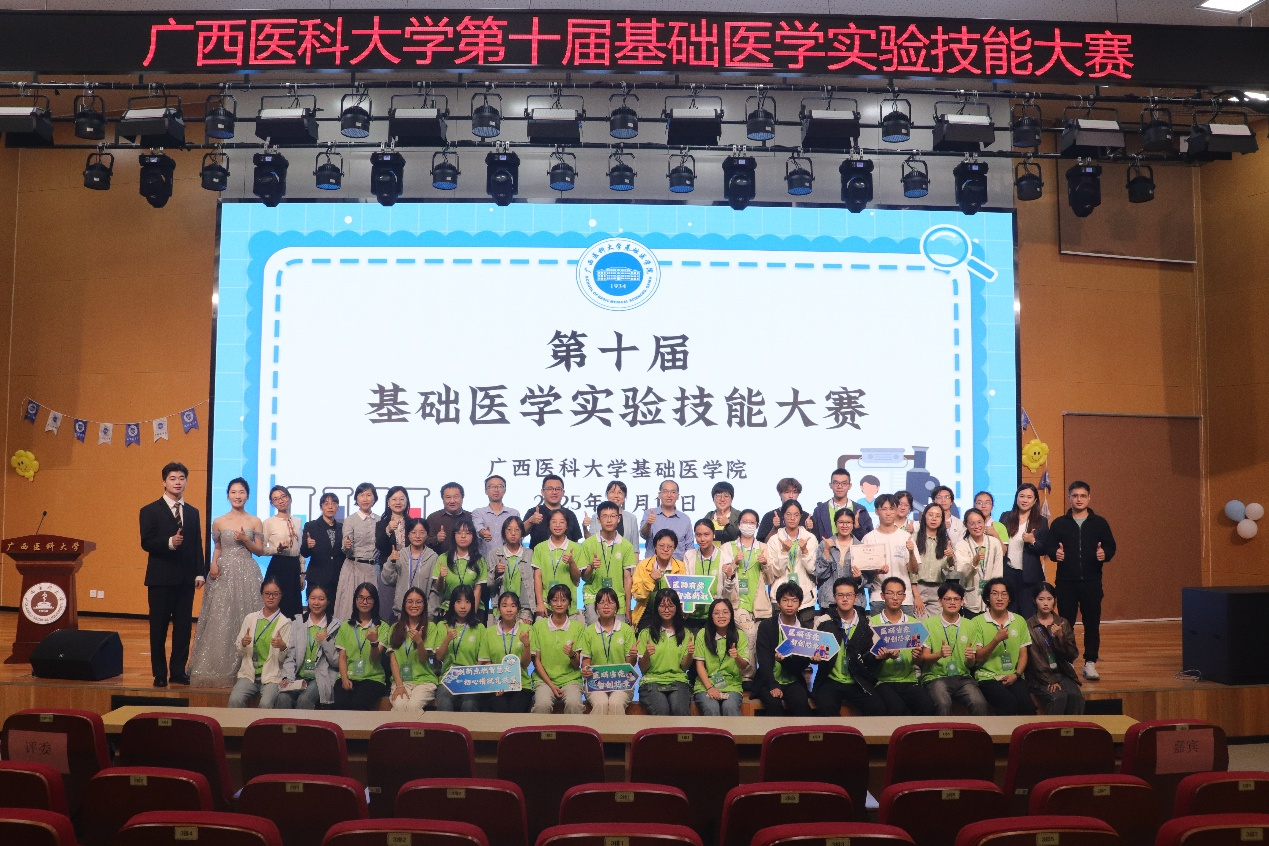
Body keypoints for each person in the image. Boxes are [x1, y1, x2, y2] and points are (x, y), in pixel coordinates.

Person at [188, 477, 262, 689]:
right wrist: (213, 563)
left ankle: (249, 668)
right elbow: (218, 547)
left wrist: (246, 539)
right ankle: (218, 666)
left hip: (247, 571)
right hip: (224, 572)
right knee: (221, 618)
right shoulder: (219, 521)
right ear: (228, 495)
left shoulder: (255, 521)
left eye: (241, 492)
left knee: (247, 616)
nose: (237, 496)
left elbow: (259, 550)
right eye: (233, 492)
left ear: (247, 495)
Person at [141, 462, 210, 688]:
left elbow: (197, 544)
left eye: (181, 478)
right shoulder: (150, 510)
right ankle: (160, 673)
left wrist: (200, 572)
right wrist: (169, 542)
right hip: (160, 579)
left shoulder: (192, 512)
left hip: (186, 580)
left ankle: (178, 672)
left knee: (183, 629)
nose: (177, 482)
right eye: (172, 478)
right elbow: (146, 542)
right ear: (164, 482)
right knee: (158, 628)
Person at [1045, 480, 1116, 681]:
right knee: (1065, 623)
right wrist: (1055, 553)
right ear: (1069, 498)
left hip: (1091, 582)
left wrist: (1105, 554)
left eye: (1083, 496)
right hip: (1066, 582)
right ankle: (1067, 661)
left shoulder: (1099, 523)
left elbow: (1111, 546)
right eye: (1075, 496)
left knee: (1091, 623)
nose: (1079, 499)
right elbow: (1049, 547)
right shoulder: (1059, 523)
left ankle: (1090, 662)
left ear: (1089, 498)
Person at [719, 509, 778, 680]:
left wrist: (765, 564)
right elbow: (724, 577)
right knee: (749, 635)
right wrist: (735, 563)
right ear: (738, 525)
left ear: (757, 525)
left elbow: (770, 579)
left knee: (760, 641)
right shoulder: (727, 548)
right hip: (737, 603)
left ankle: (762, 677)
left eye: (752, 522)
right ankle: (747, 676)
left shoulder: (763, 548)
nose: (748, 525)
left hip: (759, 605)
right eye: (745, 522)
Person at [812, 578, 885, 717]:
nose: (845, 599)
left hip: (857, 681)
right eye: (840, 595)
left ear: (856, 597)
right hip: (829, 680)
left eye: (849, 595)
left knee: (878, 708)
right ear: (834, 597)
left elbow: (869, 657)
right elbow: (814, 653)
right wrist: (814, 659)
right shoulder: (823, 621)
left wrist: (879, 657)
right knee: (825, 710)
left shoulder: (866, 624)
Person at [918, 581, 990, 716]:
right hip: (935, 677)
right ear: (940, 601)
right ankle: (941, 731)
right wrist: (939, 654)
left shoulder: (970, 625)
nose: (952, 602)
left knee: (979, 703)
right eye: (948, 599)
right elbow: (924, 658)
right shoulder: (928, 624)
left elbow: (970, 664)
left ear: (962, 601)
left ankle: (976, 731)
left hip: (963, 677)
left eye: (956, 599)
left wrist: (970, 658)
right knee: (943, 703)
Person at [965, 577, 1035, 715]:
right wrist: (996, 640)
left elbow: (1023, 653)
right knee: (1008, 703)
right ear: (987, 597)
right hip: (987, 677)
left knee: (1028, 707)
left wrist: (1016, 674)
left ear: (1009, 598)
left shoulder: (1019, 620)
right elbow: (978, 658)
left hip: (1013, 675)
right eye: (995, 593)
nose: (999, 598)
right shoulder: (977, 622)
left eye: (1004, 594)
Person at [870, 577, 935, 716]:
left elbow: (919, 661)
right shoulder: (872, 624)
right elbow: (867, 661)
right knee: (897, 708)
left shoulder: (914, 624)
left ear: (904, 597)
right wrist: (881, 658)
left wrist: (918, 657)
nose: (895, 597)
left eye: (899, 593)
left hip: (909, 680)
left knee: (928, 706)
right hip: (883, 681)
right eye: (890, 593)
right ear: (882, 596)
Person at [275, 583, 341, 709]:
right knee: (283, 698)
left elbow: (336, 662)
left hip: (321, 678)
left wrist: (326, 641)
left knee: (304, 700)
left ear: (328, 602)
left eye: (321, 599)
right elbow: (290, 656)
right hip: (298, 677)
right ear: (307, 600)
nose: (316, 602)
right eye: (312, 598)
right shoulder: (297, 623)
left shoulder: (335, 626)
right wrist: (287, 677)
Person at [754, 582, 814, 716]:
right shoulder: (766, 626)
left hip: (793, 679)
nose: (789, 604)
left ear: (800, 603)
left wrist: (785, 661)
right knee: (774, 704)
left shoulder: (804, 630)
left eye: (794, 600)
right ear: (778, 603)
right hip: (768, 679)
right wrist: (772, 684)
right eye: (785, 600)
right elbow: (763, 660)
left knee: (801, 704)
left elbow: (801, 666)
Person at [228, 578, 290, 708]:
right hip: (248, 674)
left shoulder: (285, 623)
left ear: (281, 596)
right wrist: (243, 644)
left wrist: (283, 647)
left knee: (266, 704)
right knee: (235, 700)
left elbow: (284, 659)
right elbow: (240, 651)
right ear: (262, 594)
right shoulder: (250, 618)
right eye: (267, 593)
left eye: (275, 594)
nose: (271, 597)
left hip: (272, 677)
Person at [1026, 582, 1085, 715]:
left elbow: (1072, 654)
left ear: (1054, 600)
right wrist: (1050, 679)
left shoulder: (1062, 623)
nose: (1045, 603)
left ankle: (1076, 727)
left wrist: (1060, 637)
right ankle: (1052, 728)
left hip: (1062, 672)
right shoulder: (1029, 625)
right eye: (1041, 599)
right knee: (1058, 697)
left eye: (1049, 599)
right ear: (1035, 601)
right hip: (1039, 676)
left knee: (1076, 697)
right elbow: (1035, 659)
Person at [578, 587, 639, 716]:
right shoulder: (588, 631)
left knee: (616, 703)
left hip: (622, 682)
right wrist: (585, 669)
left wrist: (633, 656)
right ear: (596, 607)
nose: (606, 606)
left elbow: (630, 664)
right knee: (601, 703)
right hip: (596, 682)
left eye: (610, 602)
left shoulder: (626, 630)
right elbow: (586, 661)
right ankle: (595, 730)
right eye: (602, 602)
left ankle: (617, 731)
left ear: (616, 606)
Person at [636, 588, 694, 716]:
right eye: (662, 606)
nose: (666, 610)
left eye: (670, 606)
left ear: (677, 607)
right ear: (656, 608)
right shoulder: (646, 633)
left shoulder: (686, 634)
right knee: (662, 710)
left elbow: (684, 667)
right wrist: (646, 654)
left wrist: (690, 654)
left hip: (678, 681)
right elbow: (643, 668)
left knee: (679, 709)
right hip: (652, 681)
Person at [333, 582, 390, 710]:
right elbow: (342, 657)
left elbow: (375, 657)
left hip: (372, 678)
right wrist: (344, 679)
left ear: (375, 601)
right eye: (361, 598)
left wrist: (374, 642)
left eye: (369, 598)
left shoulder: (381, 627)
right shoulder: (345, 626)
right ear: (356, 600)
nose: (364, 602)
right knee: (340, 704)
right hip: (349, 676)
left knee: (357, 704)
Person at [530, 584, 587, 714]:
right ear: (549, 603)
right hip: (544, 681)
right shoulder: (538, 627)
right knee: (542, 705)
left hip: (571, 680)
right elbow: (536, 661)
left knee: (574, 704)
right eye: (555, 600)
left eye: (563, 600)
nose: (559, 604)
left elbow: (576, 664)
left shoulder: (578, 627)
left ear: (569, 603)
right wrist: (551, 685)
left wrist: (572, 654)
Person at [578, 501, 637, 625]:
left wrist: (628, 607)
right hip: (593, 595)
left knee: (618, 633)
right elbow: (584, 577)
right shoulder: (588, 544)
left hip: (617, 597)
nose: (609, 520)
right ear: (599, 520)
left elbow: (627, 578)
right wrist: (591, 567)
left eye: (612, 516)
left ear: (618, 519)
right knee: (594, 632)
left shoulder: (626, 545)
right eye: (605, 516)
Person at [859, 494, 917, 614]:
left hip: (904, 597)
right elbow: (864, 572)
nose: (888, 513)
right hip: (878, 596)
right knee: (878, 626)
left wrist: (911, 553)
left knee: (907, 627)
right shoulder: (868, 538)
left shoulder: (906, 537)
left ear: (896, 511)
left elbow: (914, 570)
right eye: (884, 509)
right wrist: (876, 571)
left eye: (892, 508)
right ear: (876, 511)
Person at [479, 591, 534, 713]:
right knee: (499, 708)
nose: (509, 609)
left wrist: (526, 644)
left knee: (515, 709)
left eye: (513, 606)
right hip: (496, 684)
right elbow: (486, 662)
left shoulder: (527, 630)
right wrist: (497, 684)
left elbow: (525, 664)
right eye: (504, 605)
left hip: (521, 684)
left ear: (518, 609)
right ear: (498, 609)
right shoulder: (489, 632)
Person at [692, 598, 749, 716]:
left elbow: (744, 666)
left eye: (725, 612)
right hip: (705, 685)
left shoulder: (740, 635)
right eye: (716, 613)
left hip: (731, 685)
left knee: (730, 706)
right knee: (711, 707)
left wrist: (737, 657)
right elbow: (699, 665)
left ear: (731, 615)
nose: (721, 616)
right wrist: (710, 688)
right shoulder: (703, 634)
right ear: (711, 616)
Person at [766, 499, 818, 627]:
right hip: (781, 599)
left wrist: (805, 551)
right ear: (783, 516)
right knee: (781, 636)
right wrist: (784, 552)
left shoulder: (810, 538)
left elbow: (813, 569)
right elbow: (775, 571)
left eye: (796, 514)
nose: (792, 518)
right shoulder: (774, 540)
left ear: (801, 516)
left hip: (805, 599)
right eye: (788, 514)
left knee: (805, 636)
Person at [433, 584, 484, 713]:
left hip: (471, 677)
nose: (463, 606)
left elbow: (482, 659)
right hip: (449, 676)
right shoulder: (443, 625)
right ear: (452, 604)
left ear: (472, 604)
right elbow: (439, 657)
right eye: (458, 601)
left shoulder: (479, 628)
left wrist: (473, 677)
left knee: (469, 703)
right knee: (444, 700)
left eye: (467, 602)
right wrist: (447, 639)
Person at [387, 587, 438, 714]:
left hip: (424, 681)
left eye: (418, 602)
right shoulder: (395, 628)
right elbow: (393, 660)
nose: (414, 605)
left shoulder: (430, 627)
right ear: (404, 604)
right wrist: (399, 685)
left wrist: (419, 642)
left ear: (424, 605)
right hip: (401, 681)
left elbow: (423, 658)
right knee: (399, 706)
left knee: (413, 707)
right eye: (410, 601)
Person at [1002, 484, 1049, 619]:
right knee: (1010, 614)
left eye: (1029, 497)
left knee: (1029, 614)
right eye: (1021, 496)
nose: (1024, 500)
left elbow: (1044, 549)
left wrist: (1032, 541)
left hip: (1029, 576)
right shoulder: (1006, 517)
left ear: (1035, 501)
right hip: (1008, 573)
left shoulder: (1041, 521)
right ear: (1016, 498)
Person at [335, 483, 379, 622]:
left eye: (369, 495)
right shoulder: (350, 520)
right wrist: (346, 546)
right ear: (356, 499)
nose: (365, 499)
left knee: (372, 606)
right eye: (361, 495)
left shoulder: (380, 520)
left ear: (374, 498)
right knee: (349, 608)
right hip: (353, 568)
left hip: (373, 569)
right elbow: (346, 546)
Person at [382, 518, 439, 623]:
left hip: (425, 614)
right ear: (408, 534)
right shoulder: (400, 555)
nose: (417, 536)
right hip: (401, 613)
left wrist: (430, 612)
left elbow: (435, 588)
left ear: (427, 535)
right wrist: (390, 561)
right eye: (413, 532)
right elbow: (388, 580)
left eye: (422, 532)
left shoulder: (433, 557)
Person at [261, 486, 305, 619]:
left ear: (289, 498)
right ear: (272, 503)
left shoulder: (297, 521)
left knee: (294, 606)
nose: (280, 501)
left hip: (294, 566)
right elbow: (261, 549)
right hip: (278, 565)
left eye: (283, 497)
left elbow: (300, 548)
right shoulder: (268, 522)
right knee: (278, 604)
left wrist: (302, 572)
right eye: (275, 499)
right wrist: (277, 549)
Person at [954, 509, 1006, 617]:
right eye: (972, 523)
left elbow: (997, 573)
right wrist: (974, 562)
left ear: (984, 522)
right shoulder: (961, 546)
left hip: (992, 602)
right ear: (966, 525)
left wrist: (993, 597)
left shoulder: (994, 543)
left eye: (979, 522)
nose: (976, 526)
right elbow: (963, 574)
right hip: (971, 601)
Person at [531, 510, 583, 620]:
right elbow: (537, 577)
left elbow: (577, 579)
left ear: (567, 526)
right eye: (554, 521)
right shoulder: (539, 548)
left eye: (562, 522)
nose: (557, 525)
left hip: (568, 606)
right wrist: (540, 603)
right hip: (546, 605)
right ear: (548, 525)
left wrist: (571, 562)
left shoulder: (576, 548)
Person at [487, 516, 538, 623]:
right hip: (501, 608)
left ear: (522, 532)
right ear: (503, 532)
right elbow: (489, 585)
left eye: (517, 530)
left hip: (524, 609)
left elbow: (535, 583)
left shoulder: (530, 554)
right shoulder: (494, 554)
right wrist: (496, 573)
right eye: (509, 530)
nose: (513, 533)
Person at [629, 529, 685, 626]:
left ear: (674, 548)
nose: (665, 549)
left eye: (670, 547)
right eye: (661, 545)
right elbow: (637, 595)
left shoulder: (680, 566)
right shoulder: (643, 565)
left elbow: (683, 594)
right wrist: (651, 578)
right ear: (655, 546)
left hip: (672, 614)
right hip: (648, 613)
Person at [434, 518, 488, 617]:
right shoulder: (443, 558)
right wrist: (441, 577)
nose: (463, 536)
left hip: (473, 608)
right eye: (459, 533)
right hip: (448, 608)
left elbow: (478, 590)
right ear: (453, 536)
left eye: (467, 533)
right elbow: (439, 589)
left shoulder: (479, 560)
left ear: (473, 536)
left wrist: (472, 615)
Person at [910, 503, 957, 617]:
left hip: (938, 588)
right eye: (930, 515)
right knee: (920, 625)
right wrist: (916, 596)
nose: (934, 518)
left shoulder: (945, 541)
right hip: (918, 587)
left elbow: (948, 569)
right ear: (924, 516)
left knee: (936, 624)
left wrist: (950, 557)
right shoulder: (914, 538)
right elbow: (911, 570)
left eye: (938, 516)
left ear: (942, 519)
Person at [816, 510, 862, 620]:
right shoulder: (824, 544)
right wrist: (826, 550)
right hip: (829, 601)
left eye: (848, 522)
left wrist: (859, 578)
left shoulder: (860, 546)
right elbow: (820, 574)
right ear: (835, 523)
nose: (844, 526)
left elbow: (866, 579)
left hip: (853, 602)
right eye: (841, 522)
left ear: (853, 524)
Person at [375, 486, 412, 622]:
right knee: (386, 608)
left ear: (407, 502)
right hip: (388, 570)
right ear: (388, 502)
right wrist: (388, 530)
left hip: (408, 569)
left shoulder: (413, 523)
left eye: (401, 499)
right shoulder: (382, 523)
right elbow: (379, 545)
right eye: (394, 499)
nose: (398, 502)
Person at [301, 493, 344, 608]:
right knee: (315, 611)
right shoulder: (311, 526)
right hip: (317, 578)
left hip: (337, 579)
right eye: (326, 504)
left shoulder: (342, 527)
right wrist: (307, 546)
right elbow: (304, 553)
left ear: (337, 507)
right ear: (321, 507)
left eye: (334, 504)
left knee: (335, 612)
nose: (330, 507)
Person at [683, 519, 726, 632]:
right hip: (692, 615)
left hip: (715, 616)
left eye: (706, 534)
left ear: (713, 534)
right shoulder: (689, 555)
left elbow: (728, 590)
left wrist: (730, 577)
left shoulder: (725, 557)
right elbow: (685, 585)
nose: (702, 539)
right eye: (698, 535)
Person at [811, 469, 874, 542]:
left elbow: (869, 539)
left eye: (844, 483)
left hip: (853, 549)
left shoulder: (860, 510)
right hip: (827, 549)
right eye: (836, 483)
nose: (840, 486)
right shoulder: (820, 510)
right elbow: (814, 539)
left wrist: (857, 528)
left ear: (850, 486)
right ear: (830, 485)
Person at [524, 474, 582, 549]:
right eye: (550, 489)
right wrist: (530, 521)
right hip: (537, 556)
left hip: (565, 556)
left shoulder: (570, 514)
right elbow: (521, 533)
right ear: (542, 492)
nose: (554, 492)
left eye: (558, 489)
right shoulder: (533, 512)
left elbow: (575, 541)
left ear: (563, 492)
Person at [640, 479, 693, 559]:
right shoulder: (649, 513)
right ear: (659, 495)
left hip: (678, 565)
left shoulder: (685, 519)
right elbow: (644, 535)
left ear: (678, 496)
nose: (669, 495)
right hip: (653, 564)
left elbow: (689, 547)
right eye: (665, 491)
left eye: (673, 492)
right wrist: (648, 524)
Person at [472, 475, 521, 561]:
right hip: (484, 560)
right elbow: (478, 527)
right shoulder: (478, 512)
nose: (496, 489)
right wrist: (484, 533)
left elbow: (519, 536)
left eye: (500, 486)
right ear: (486, 491)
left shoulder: (514, 513)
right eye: (491, 487)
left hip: (508, 561)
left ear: (505, 490)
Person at [426, 482, 473, 553]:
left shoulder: (471, 517)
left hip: (467, 559)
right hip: (439, 559)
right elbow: (424, 542)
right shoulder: (433, 518)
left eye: (456, 497)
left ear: (462, 497)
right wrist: (436, 539)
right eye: (448, 497)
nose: (452, 501)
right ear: (442, 499)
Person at [757, 477, 804, 542]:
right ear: (780, 494)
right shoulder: (769, 516)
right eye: (787, 492)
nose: (791, 496)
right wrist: (774, 528)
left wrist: (808, 529)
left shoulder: (806, 517)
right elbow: (761, 544)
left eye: (794, 492)